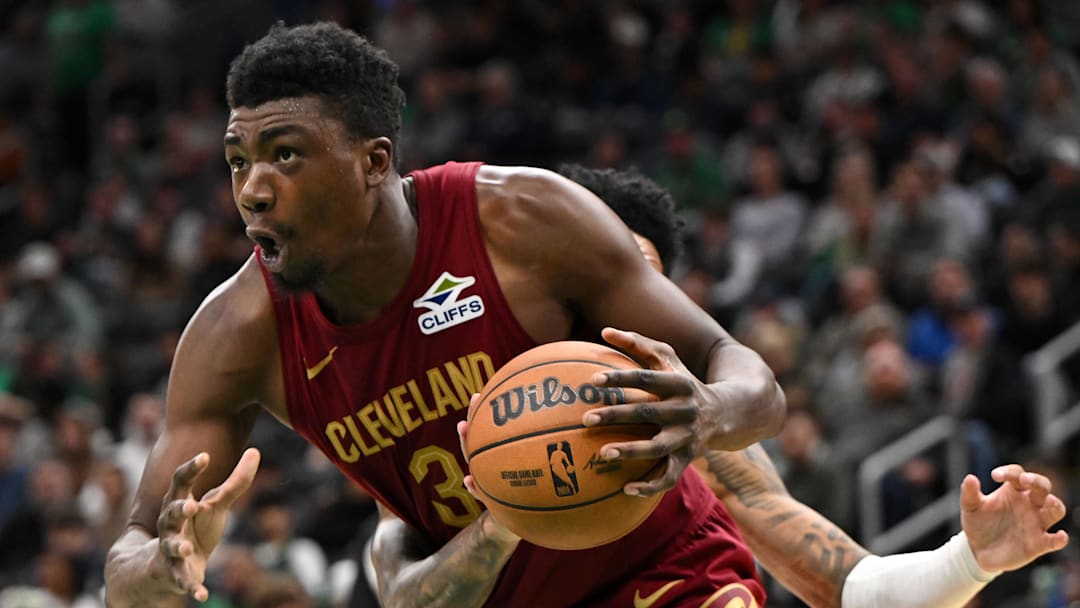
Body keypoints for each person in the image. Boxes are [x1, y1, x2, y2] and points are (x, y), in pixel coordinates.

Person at [103, 22, 786, 608]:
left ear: (374, 163)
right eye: (237, 160)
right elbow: (126, 560)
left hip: (666, 575)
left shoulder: (521, 220)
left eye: (285, 155)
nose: (252, 190)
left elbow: (750, 378)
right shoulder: (236, 335)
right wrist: (160, 568)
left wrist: (711, 411)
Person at [556, 163, 1069, 608]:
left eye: (648, 287)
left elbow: (853, 589)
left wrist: (969, 559)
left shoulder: (688, 435)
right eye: (612, 282)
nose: (630, 307)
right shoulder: (485, 398)